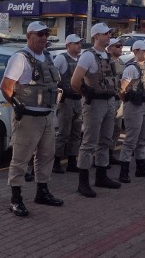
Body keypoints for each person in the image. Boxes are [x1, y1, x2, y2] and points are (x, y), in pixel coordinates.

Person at [0, 21, 64, 217]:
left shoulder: (47, 57)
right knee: (20, 160)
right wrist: (16, 105)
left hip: (46, 115)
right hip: (28, 117)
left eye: (46, 34)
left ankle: (42, 192)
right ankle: (15, 199)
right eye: (39, 34)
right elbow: (6, 86)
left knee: (46, 156)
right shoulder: (20, 58)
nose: (44, 37)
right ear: (29, 36)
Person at [70, 22, 121, 197]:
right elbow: (75, 81)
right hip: (95, 103)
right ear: (96, 36)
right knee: (89, 142)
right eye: (105, 33)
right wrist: (85, 93)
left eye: (109, 33)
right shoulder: (88, 56)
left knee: (105, 140)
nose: (109, 36)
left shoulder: (106, 55)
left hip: (108, 102)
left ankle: (101, 175)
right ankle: (83, 182)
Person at [117, 40, 145, 183]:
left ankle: (141, 168)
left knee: (143, 139)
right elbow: (121, 90)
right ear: (136, 52)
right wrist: (127, 102)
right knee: (131, 140)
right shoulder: (131, 68)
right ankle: (124, 171)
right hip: (135, 105)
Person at [52, 34, 84, 173]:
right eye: (76, 43)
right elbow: (53, 76)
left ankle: (72, 161)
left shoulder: (80, 59)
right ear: (68, 45)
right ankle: (56, 161)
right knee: (64, 132)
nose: (79, 45)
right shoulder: (61, 58)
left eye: (80, 43)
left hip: (78, 100)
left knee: (76, 133)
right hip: (66, 101)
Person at [107, 37, 125, 166]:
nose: (120, 48)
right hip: (108, 98)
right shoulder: (105, 62)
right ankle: (100, 155)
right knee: (106, 128)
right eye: (117, 46)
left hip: (119, 99)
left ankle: (110, 152)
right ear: (110, 48)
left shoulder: (122, 63)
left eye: (121, 46)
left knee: (117, 128)